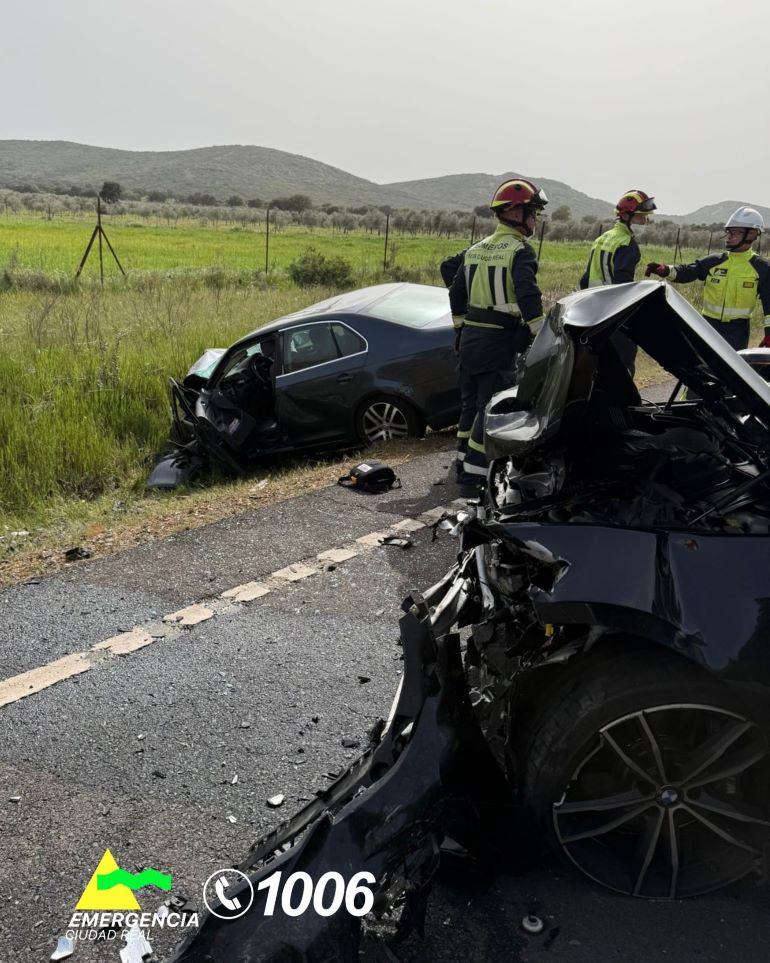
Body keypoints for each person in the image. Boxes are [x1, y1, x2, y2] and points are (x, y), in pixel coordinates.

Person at [447, 178, 547, 497]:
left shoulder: (475, 250)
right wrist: (542, 335)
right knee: (489, 410)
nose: (535, 220)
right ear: (516, 213)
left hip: (470, 339)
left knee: (469, 406)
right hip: (498, 342)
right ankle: (474, 479)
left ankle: (462, 462)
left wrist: (460, 330)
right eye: (533, 213)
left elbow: (456, 294)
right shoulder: (520, 251)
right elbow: (528, 295)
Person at [645, 207, 770, 351]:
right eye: (728, 232)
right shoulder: (713, 261)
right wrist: (666, 270)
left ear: (752, 234)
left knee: (730, 365)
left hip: (738, 332)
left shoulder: (762, 268)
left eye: (735, 232)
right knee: (702, 363)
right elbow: (688, 272)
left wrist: (769, 334)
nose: (729, 236)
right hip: (708, 326)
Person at [579, 190, 657, 374]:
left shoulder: (603, 238)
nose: (645, 222)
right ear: (626, 216)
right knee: (622, 367)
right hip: (615, 316)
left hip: (594, 313)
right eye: (641, 217)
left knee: (597, 367)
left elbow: (585, 279)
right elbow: (623, 284)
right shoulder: (627, 244)